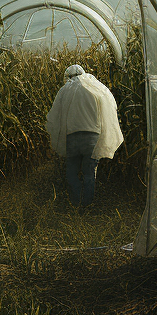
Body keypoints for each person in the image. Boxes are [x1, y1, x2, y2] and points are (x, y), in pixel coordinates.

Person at [46, 64, 124, 208]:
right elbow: (108, 109)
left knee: (72, 172)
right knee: (89, 172)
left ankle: (76, 203)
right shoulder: (95, 87)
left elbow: (54, 115)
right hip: (92, 137)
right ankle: (87, 205)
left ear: (68, 77)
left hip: (73, 137)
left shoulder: (65, 90)